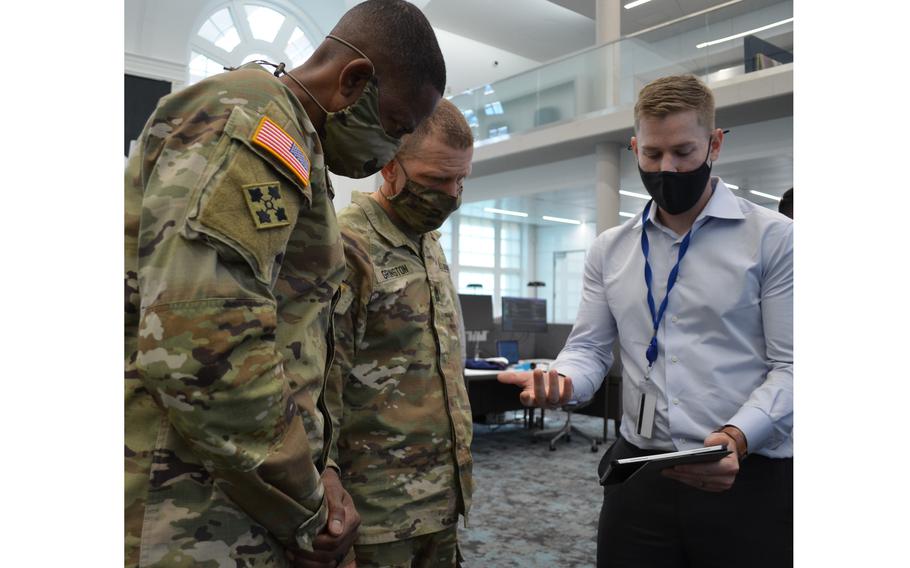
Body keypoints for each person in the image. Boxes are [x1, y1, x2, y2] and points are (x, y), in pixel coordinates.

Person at [123, 1, 446, 566]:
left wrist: (320, 467)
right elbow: (202, 347)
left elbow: (289, 341)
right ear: (354, 81)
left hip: (234, 494)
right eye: (395, 128)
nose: (390, 152)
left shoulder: (297, 145)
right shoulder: (249, 120)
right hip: (185, 505)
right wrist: (307, 503)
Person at [499, 74, 793, 567]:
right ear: (634, 147)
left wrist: (739, 436)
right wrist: (562, 381)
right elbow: (588, 349)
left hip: (745, 474)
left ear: (714, 144)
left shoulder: (774, 239)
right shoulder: (610, 249)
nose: (667, 168)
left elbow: (794, 366)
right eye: (652, 155)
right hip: (641, 472)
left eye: (684, 151)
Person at [326, 99, 474, 568]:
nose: (450, 194)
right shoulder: (348, 246)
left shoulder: (426, 242)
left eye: (460, 180)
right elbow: (317, 386)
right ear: (390, 166)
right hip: (374, 514)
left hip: (442, 503)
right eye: (435, 180)